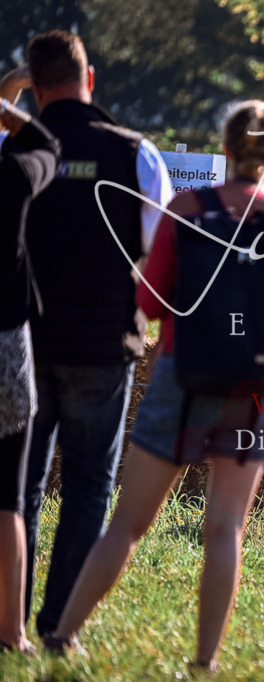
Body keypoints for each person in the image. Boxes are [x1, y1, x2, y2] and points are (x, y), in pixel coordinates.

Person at [46, 100, 264, 670]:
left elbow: (149, 301)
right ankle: (203, 663)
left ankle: (61, 637)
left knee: (128, 524)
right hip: (255, 391)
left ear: (225, 148)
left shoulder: (187, 210)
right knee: (225, 531)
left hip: (183, 374)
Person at [17, 30, 173, 640]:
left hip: (24, 342)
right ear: (90, 80)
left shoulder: (12, 150)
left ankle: (9, 622)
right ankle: (61, 625)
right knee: (87, 488)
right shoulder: (136, 154)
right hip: (104, 344)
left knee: (19, 486)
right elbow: (160, 257)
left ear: (35, 87)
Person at [0, 87, 60, 655]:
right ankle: (11, 632)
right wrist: (6, 105)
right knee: (9, 499)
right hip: (5, 345)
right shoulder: (12, 175)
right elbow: (48, 145)